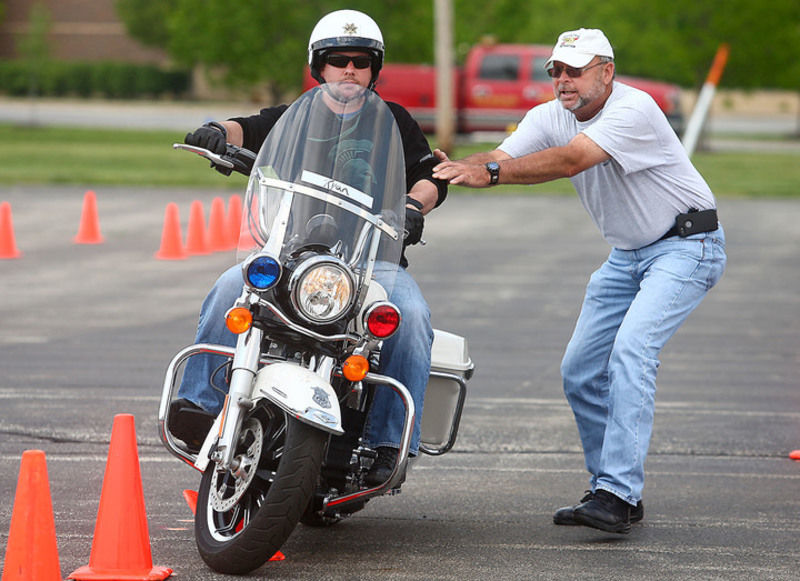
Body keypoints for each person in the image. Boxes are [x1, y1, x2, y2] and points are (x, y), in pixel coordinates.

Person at [433, 28, 726, 533]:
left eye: (576, 69)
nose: (563, 80)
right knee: (579, 371)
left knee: (632, 351)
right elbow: (499, 157)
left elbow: (571, 160)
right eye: (556, 70)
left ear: (606, 72)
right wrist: (441, 170)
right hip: (627, 256)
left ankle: (617, 492)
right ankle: (611, 491)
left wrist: (493, 175)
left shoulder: (634, 109)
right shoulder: (549, 115)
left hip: (687, 246)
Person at [169, 9, 447, 487]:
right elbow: (246, 127)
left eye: (361, 61)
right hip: (292, 253)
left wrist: (412, 206)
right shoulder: (295, 116)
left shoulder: (394, 122)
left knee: (412, 317)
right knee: (228, 287)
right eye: (338, 60)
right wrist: (216, 130)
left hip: (371, 261)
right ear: (319, 65)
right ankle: (200, 404)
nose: (349, 71)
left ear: (374, 68)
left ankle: (389, 442)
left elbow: (429, 176)